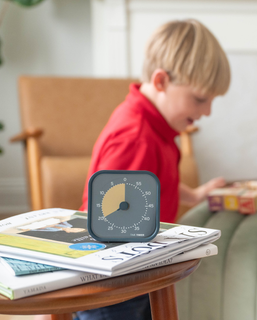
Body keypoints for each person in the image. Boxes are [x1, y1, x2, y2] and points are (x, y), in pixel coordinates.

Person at [35, 18, 231, 320]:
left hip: (134, 273)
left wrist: (192, 195)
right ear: (161, 81)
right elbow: (110, 220)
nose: (207, 112)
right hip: (114, 285)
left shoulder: (156, 128)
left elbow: (146, 185)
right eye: (200, 99)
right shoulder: (136, 139)